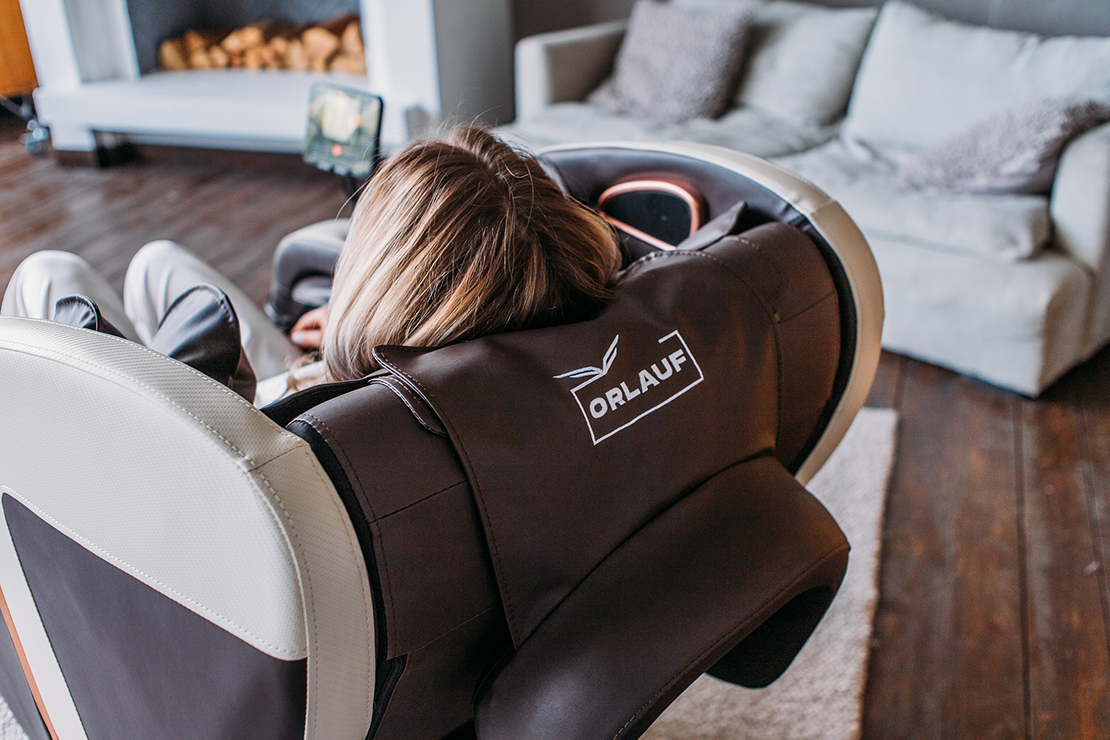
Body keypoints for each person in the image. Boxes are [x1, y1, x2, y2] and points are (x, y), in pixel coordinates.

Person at [1, 127, 622, 405]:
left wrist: (349, 344)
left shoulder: (327, 425)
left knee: (48, 275)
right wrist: (375, 335)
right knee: (157, 263)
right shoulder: (555, 335)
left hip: (263, 407)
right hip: (331, 371)